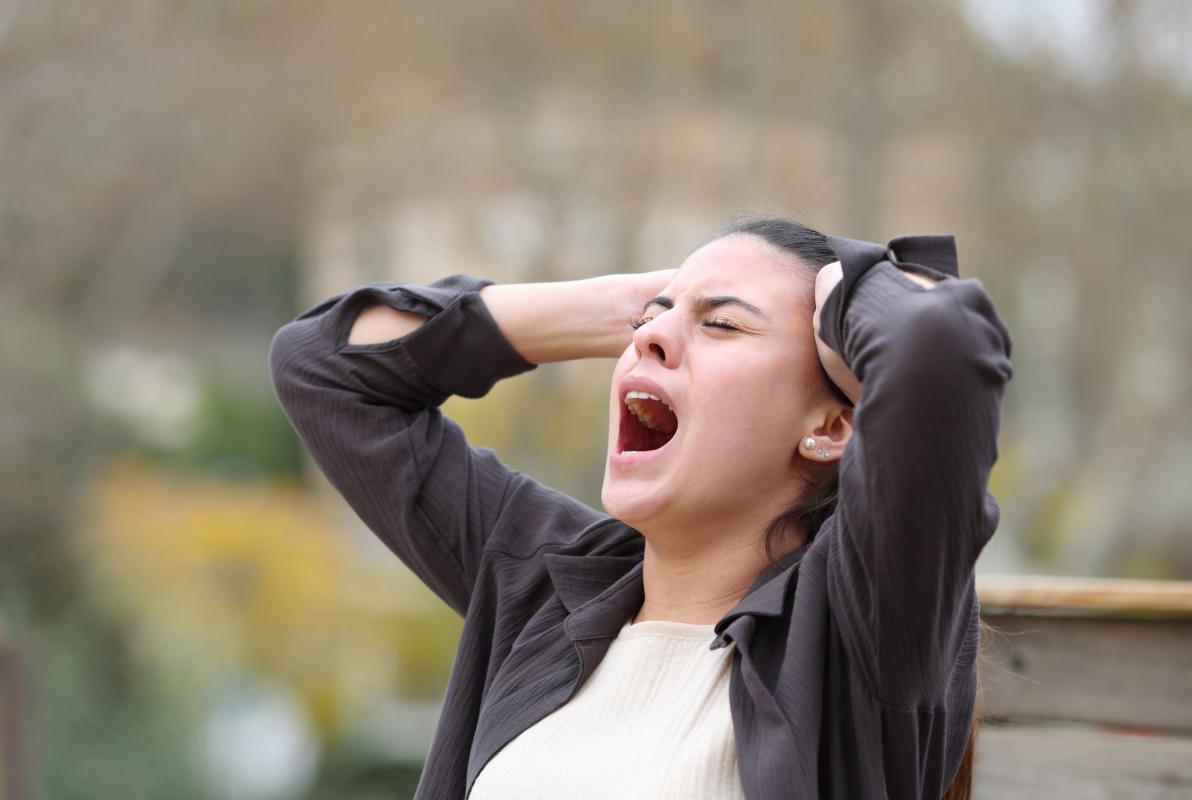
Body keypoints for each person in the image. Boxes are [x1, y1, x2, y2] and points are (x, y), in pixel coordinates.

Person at [268, 216, 1013, 799]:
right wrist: (625, 306)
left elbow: (938, 349)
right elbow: (323, 367)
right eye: (647, 324)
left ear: (830, 428)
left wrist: (860, 285)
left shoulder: (861, 628)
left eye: (722, 325)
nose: (650, 338)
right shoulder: (548, 582)